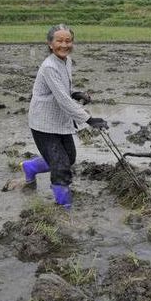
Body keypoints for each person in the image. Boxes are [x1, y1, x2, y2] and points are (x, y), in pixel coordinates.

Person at [21, 24, 108, 208]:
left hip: (59, 121)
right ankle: (65, 210)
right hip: (43, 124)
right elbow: (62, 99)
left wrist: (76, 93)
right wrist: (89, 119)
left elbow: (62, 90)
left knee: (68, 157)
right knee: (61, 167)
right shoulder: (49, 66)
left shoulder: (66, 61)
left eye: (68, 41)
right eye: (59, 41)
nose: (64, 44)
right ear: (50, 44)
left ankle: (30, 167)